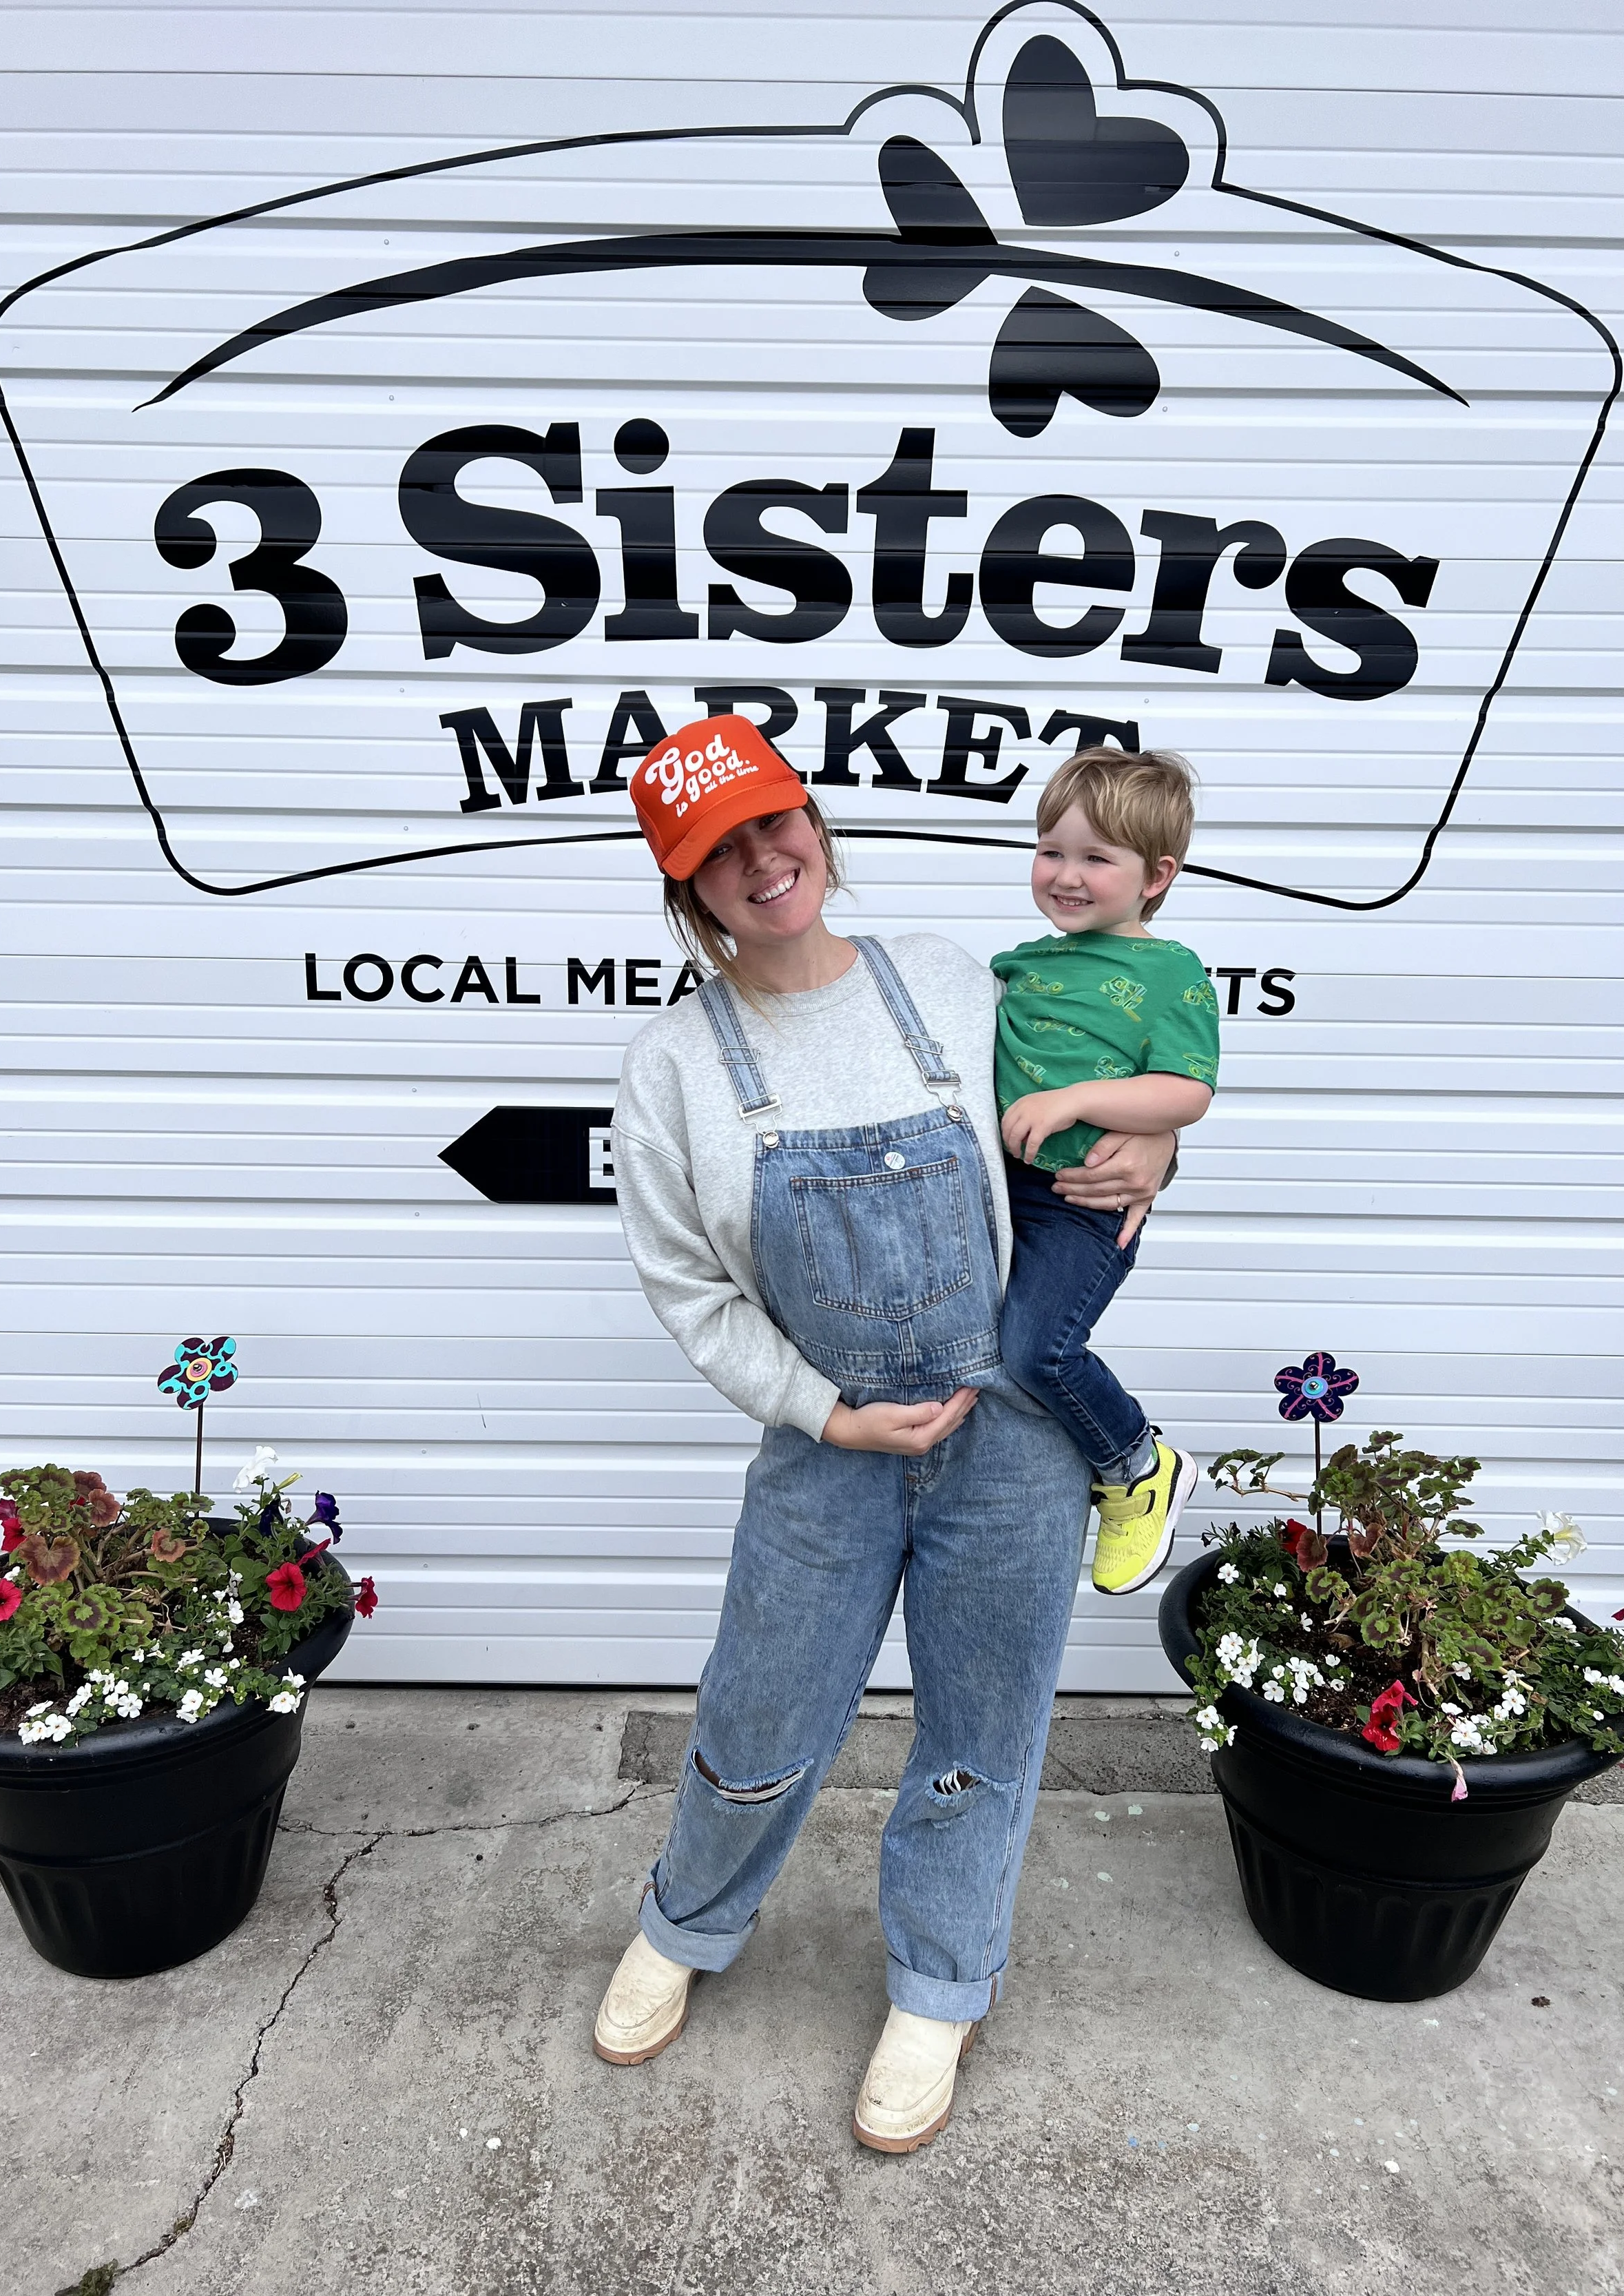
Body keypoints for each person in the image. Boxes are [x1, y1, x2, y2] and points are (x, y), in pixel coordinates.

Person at [595, 714, 1176, 2152]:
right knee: (756, 1717)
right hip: (824, 1455)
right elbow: (690, 1296)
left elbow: (1081, 1128)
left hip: (1013, 1438)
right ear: (684, 889)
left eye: (771, 824)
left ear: (813, 824)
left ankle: (938, 1980)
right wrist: (825, 1411)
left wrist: (1154, 1143)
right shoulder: (670, 1067)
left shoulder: (948, 981)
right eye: (716, 852)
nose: (759, 862)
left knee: (982, 1735)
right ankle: (685, 1918)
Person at [995, 747, 1219, 1598]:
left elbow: (1185, 1091)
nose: (1067, 875)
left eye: (1097, 858)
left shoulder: (1170, 973)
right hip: (996, 1193)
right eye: (1052, 850)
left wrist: (1079, 1104)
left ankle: (1138, 1465)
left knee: (1038, 1352)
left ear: (1156, 875)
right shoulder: (1020, 964)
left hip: (1078, 1206)